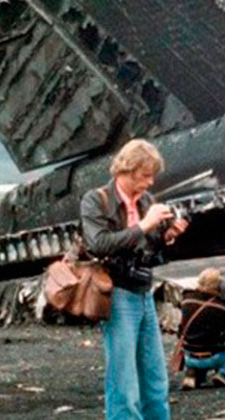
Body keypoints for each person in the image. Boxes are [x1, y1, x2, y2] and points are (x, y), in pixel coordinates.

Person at [81, 139, 188, 420]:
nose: (150, 183)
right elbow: (99, 244)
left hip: (143, 291)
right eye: (145, 175)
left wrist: (166, 237)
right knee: (124, 379)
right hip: (116, 294)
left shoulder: (146, 201)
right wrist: (145, 225)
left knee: (155, 377)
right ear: (125, 170)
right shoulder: (96, 200)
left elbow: (149, 251)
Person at [177, 267, 225, 389]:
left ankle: (193, 374)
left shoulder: (186, 300)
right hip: (213, 357)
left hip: (189, 356)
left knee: (197, 335)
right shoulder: (222, 307)